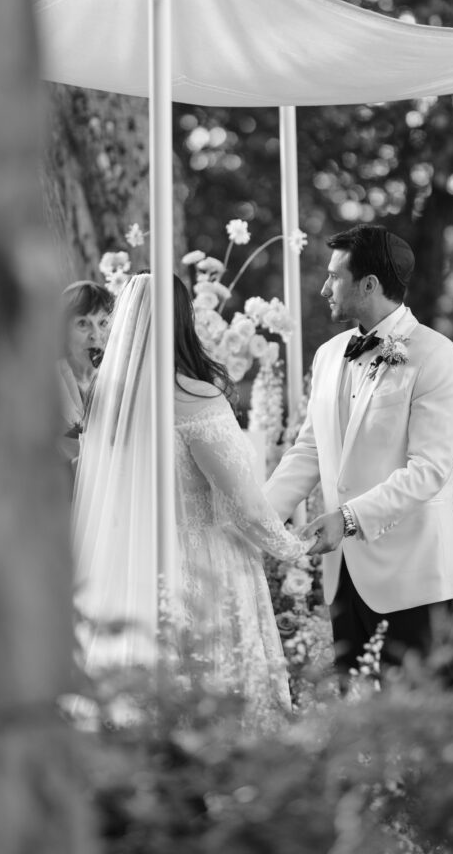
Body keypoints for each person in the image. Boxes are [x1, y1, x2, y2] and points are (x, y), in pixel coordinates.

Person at [71, 273, 311, 728]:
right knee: (217, 696)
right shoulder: (194, 396)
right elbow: (244, 502)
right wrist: (294, 548)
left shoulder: (107, 397)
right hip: (205, 565)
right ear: (184, 320)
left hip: (132, 561)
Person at [264, 224, 453, 684]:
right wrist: (259, 518)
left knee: (419, 725)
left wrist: (348, 517)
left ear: (369, 285)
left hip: (415, 580)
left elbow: (428, 471)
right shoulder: (327, 355)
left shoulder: (439, 358)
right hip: (344, 578)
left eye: (334, 276)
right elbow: (309, 448)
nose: (324, 287)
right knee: (355, 723)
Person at [57, 280, 113, 464]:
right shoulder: (50, 383)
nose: (95, 334)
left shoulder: (116, 379)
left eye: (103, 322)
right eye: (83, 323)